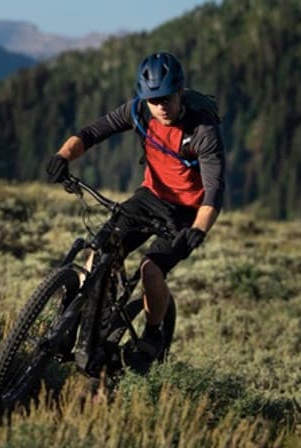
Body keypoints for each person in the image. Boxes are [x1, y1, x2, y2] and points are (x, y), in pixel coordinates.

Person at [45, 52, 225, 362]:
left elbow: (215, 189)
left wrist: (199, 229)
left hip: (186, 212)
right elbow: (91, 133)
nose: (161, 106)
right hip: (149, 197)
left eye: (167, 98)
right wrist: (63, 156)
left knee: (150, 270)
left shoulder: (202, 131)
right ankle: (73, 325)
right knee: (99, 252)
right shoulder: (138, 111)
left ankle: (153, 333)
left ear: (180, 92)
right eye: (154, 100)